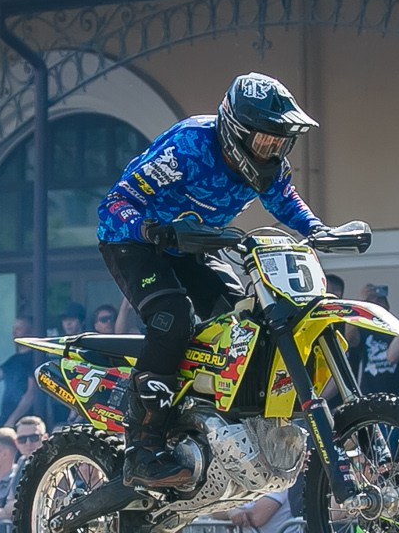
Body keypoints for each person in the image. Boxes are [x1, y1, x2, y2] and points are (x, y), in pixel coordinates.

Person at [96, 72, 332, 488]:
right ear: (236, 132)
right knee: (173, 318)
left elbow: (284, 199)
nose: (273, 151)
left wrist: (316, 229)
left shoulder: (269, 167)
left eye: (280, 143)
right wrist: (149, 229)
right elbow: (115, 203)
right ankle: (143, 450)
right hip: (133, 243)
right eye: (265, 141)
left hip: (193, 246)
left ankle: (209, 420)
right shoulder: (188, 147)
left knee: (244, 322)